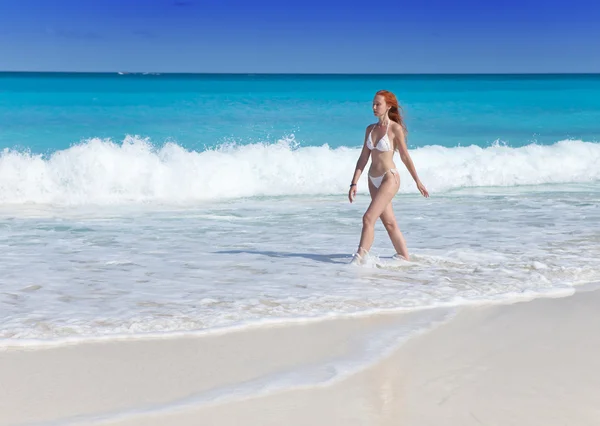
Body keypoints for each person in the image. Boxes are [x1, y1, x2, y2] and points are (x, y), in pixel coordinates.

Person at [348, 90, 429, 263]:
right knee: (389, 223)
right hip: (372, 179)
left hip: (389, 178)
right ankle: (405, 258)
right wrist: (354, 183)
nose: (374, 107)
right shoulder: (370, 129)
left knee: (368, 218)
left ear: (388, 106)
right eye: (373, 104)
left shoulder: (395, 129)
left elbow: (405, 156)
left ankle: (358, 260)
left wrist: (417, 181)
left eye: (378, 104)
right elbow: (363, 157)